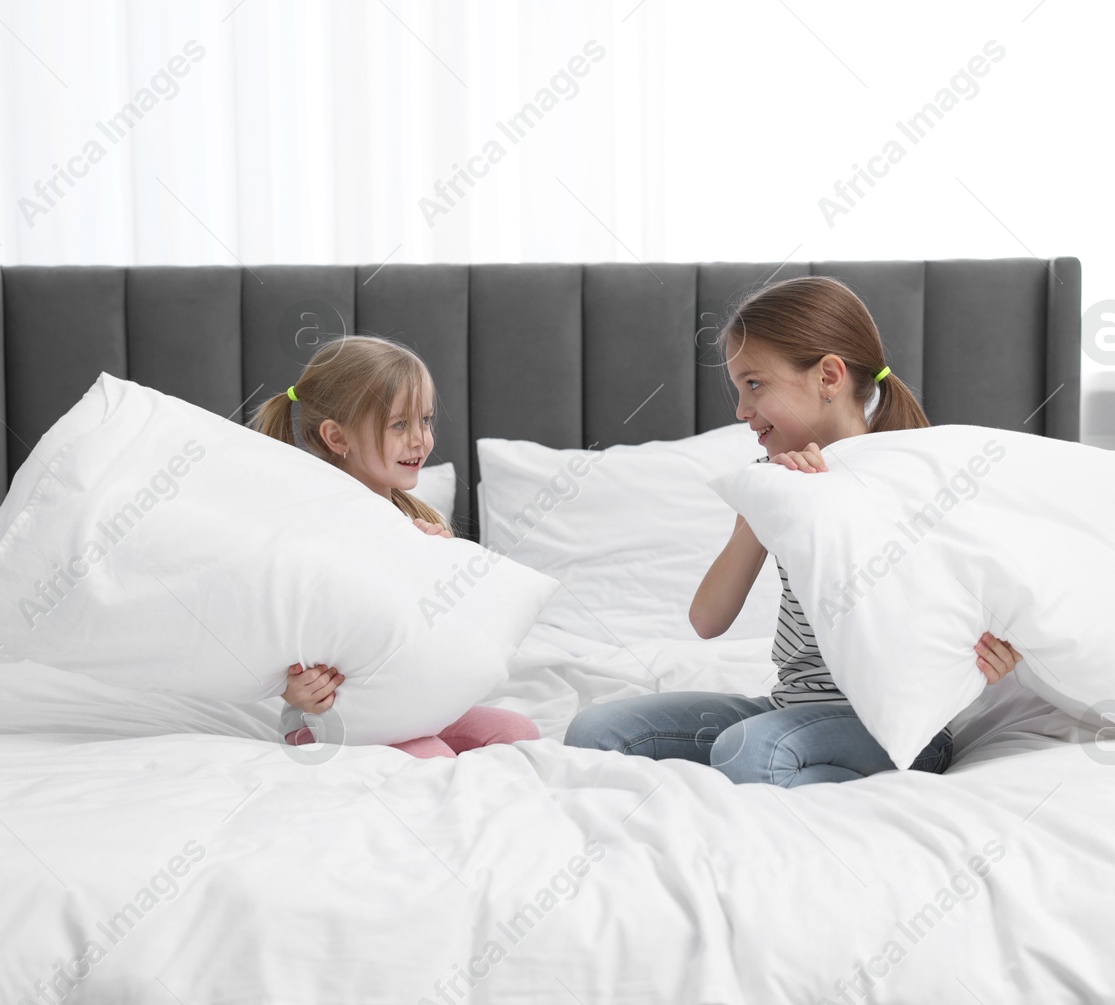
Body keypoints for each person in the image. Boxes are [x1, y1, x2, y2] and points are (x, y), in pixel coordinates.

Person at [564, 276, 1021, 785]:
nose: (741, 410)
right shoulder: (779, 483)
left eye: (754, 384)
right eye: (738, 388)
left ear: (829, 376)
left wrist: (987, 655)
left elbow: (980, 599)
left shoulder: (917, 478)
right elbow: (706, 622)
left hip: (896, 729)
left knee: (752, 749)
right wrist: (760, 512)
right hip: (791, 710)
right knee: (595, 731)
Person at [250, 335, 540, 759]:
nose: (421, 440)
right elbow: (282, 628)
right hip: (337, 717)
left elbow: (439, 631)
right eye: (399, 425)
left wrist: (442, 565)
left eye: (424, 420)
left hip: (419, 703)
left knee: (519, 734)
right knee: (431, 761)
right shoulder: (314, 529)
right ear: (336, 437)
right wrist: (294, 690)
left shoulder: (418, 522)